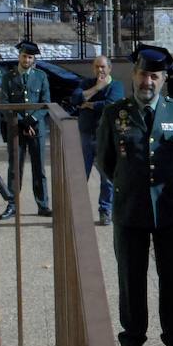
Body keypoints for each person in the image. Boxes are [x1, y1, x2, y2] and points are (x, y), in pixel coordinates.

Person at [98, 45, 173, 346]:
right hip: (130, 207)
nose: (147, 81)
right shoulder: (115, 113)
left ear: (164, 79)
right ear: (134, 75)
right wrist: (131, 183)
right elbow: (105, 160)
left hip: (169, 208)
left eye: (154, 75)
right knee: (131, 276)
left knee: (171, 275)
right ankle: (133, 337)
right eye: (142, 74)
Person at [0, 40, 51, 219]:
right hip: (16, 128)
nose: (26, 60)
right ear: (19, 56)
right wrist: (21, 121)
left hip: (37, 128)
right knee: (15, 168)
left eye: (30, 57)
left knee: (39, 168)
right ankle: (12, 205)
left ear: (33, 59)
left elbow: (45, 102)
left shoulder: (41, 76)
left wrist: (32, 119)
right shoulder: (8, 77)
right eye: (24, 56)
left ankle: (43, 205)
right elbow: (4, 103)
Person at [70, 55, 124, 226]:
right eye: (96, 67)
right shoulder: (87, 83)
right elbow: (75, 99)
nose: (99, 70)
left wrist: (89, 104)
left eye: (102, 67)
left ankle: (105, 210)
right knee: (81, 175)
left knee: (107, 177)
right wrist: (96, 88)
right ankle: (77, 211)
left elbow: (111, 105)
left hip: (106, 136)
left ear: (110, 68)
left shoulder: (117, 85)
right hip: (86, 134)